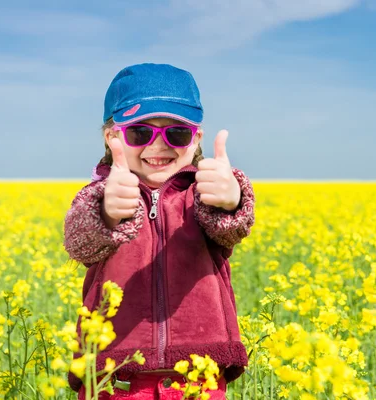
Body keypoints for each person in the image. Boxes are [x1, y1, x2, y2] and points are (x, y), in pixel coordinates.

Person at [63, 63, 255, 399]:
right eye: (140, 133)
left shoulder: (204, 195)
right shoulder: (100, 196)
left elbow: (232, 227)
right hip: (115, 379)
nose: (159, 145)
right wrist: (108, 213)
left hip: (201, 376)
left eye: (176, 133)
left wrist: (231, 197)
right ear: (112, 137)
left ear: (195, 138)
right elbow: (80, 242)